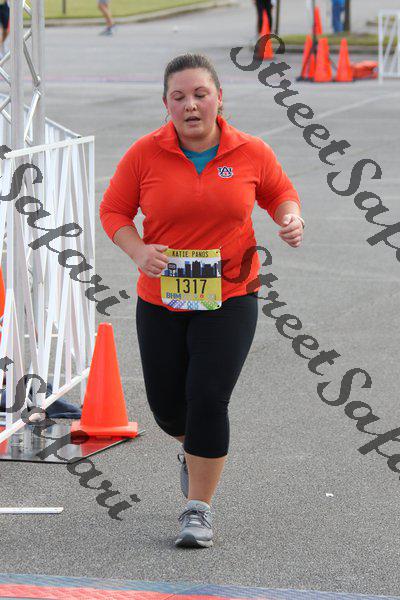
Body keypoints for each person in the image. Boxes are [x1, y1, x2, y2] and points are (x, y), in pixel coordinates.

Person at [99, 53, 304, 549]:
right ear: (166, 104)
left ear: (218, 99)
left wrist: (290, 218)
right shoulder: (145, 153)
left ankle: (198, 508)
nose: (190, 105)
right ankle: (192, 450)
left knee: (208, 398)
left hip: (230, 295)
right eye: (179, 97)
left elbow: (280, 193)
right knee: (169, 410)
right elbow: (114, 211)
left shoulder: (250, 151)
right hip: (161, 299)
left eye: (200, 94)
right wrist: (139, 251)